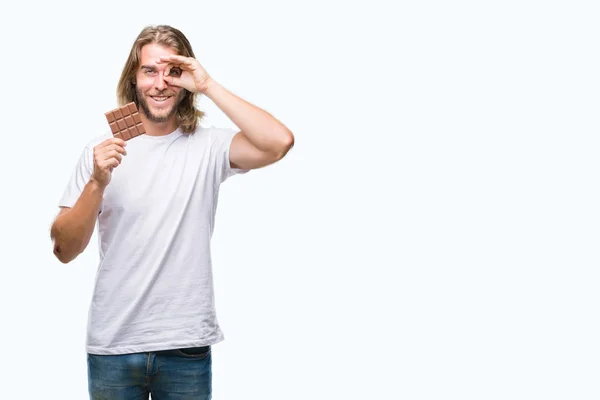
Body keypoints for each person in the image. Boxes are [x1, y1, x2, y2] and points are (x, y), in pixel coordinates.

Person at [50, 24, 294, 400]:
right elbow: (64, 250)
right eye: (150, 71)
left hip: (185, 346)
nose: (161, 83)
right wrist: (97, 182)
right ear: (134, 79)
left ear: (186, 81)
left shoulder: (208, 146)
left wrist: (209, 84)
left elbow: (279, 142)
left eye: (173, 72)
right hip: (114, 346)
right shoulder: (102, 151)